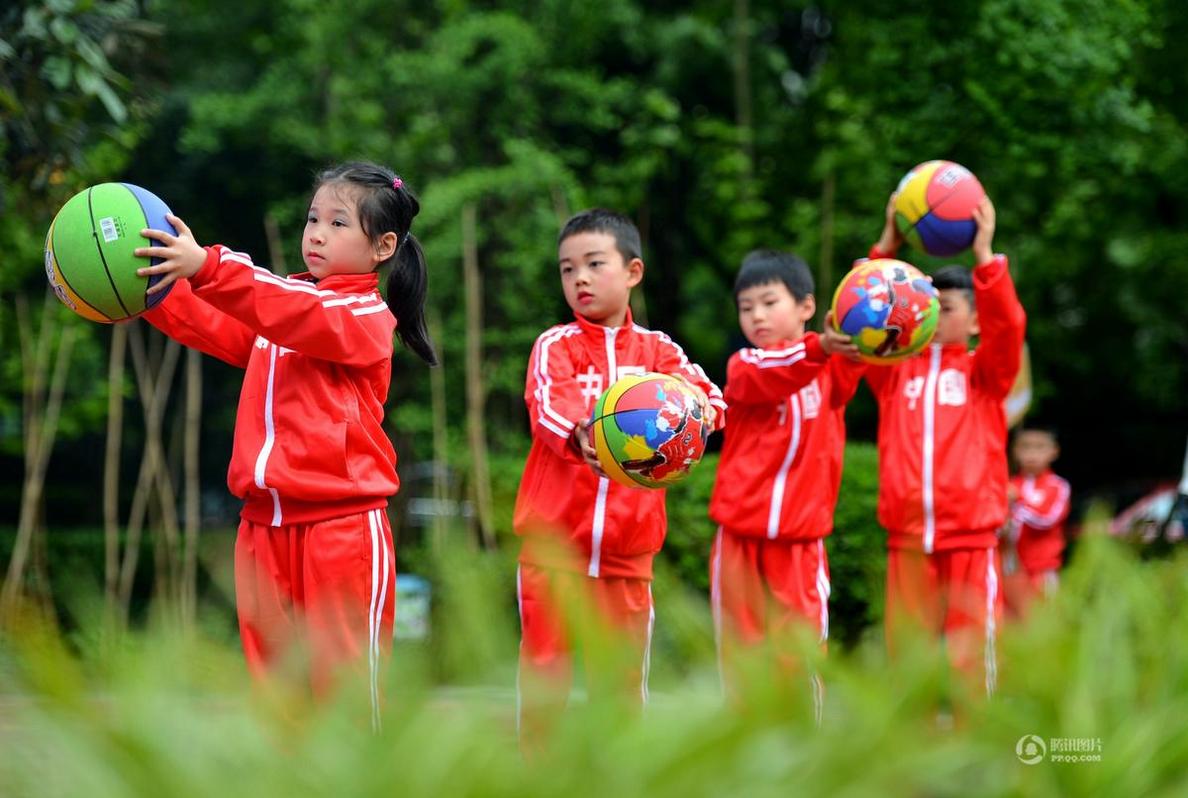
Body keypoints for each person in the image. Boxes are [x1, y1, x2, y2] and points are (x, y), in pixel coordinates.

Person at [134, 161, 435, 729]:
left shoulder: (365, 316)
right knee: (278, 707)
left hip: (341, 533)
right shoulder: (286, 312)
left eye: (338, 223)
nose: (316, 233)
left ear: (383, 246)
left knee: (345, 705)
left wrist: (208, 265)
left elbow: (289, 311)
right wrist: (148, 289)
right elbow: (215, 322)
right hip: (262, 533)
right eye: (312, 218)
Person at [514, 208, 725, 743]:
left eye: (593, 263)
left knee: (622, 684)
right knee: (545, 678)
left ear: (633, 271)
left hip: (629, 552)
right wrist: (583, 433)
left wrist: (688, 420)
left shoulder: (660, 353)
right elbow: (545, 409)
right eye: (566, 269)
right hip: (553, 548)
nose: (578, 278)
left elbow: (711, 402)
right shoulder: (554, 346)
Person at [863, 192, 1026, 697]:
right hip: (907, 542)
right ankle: (912, 762)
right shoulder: (893, 373)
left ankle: (979, 756)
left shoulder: (984, 374)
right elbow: (865, 312)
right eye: (926, 305)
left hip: (970, 542)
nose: (932, 314)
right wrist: (884, 251)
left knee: (970, 658)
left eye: (947, 308)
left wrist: (985, 258)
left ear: (974, 320)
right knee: (906, 661)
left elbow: (1009, 327)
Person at [707, 249, 863, 719]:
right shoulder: (744, 367)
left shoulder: (832, 370)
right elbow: (778, 373)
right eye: (746, 306)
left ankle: (805, 766)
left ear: (807, 307)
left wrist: (879, 259)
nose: (756, 315)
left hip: (799, 545)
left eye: (769, 302)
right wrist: (820, 349)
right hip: (738, 541)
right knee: (741, 659)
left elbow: (866, 324)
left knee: (799, 658)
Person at [1002, 425, 1071, 618]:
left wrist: (1017, 502)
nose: (1032, 454)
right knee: (1011, 626)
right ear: (1015, 451)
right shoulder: (1009, 485)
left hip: (1042, 570)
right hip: (1011, 570)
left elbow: (1046, 519)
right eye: (1025, 447)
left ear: (1054, 451)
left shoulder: (1057, 486)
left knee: (1044, 624)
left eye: (1039, 447)